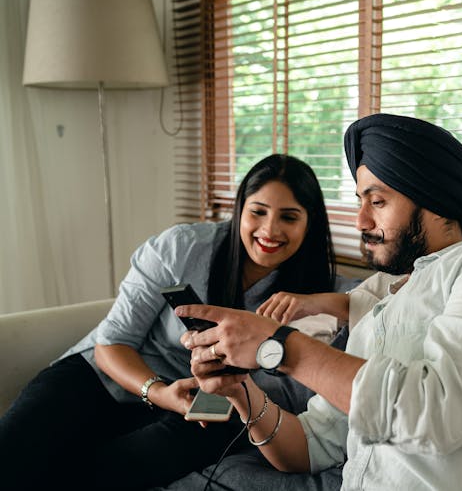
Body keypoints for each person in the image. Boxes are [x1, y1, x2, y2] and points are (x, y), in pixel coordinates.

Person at [168, 114, 462, 490]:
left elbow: (436, 410)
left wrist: (278, 346)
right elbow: (309, 448)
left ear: (435, 200)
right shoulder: (380, 306)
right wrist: (242, 392)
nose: (362, 222)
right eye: (360, 201)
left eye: (378, 201)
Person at [0, 154, 354, 490]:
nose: (270, 230)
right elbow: (111, 345)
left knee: (91, 476)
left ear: (310, 223)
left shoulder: (317, 289)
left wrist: (316, 301)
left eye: (289, 217)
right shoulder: (181, 248)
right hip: (106, 377)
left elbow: (381, 297)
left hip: (202, 411)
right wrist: (159, 393)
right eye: (257, 212)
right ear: (239, 211)